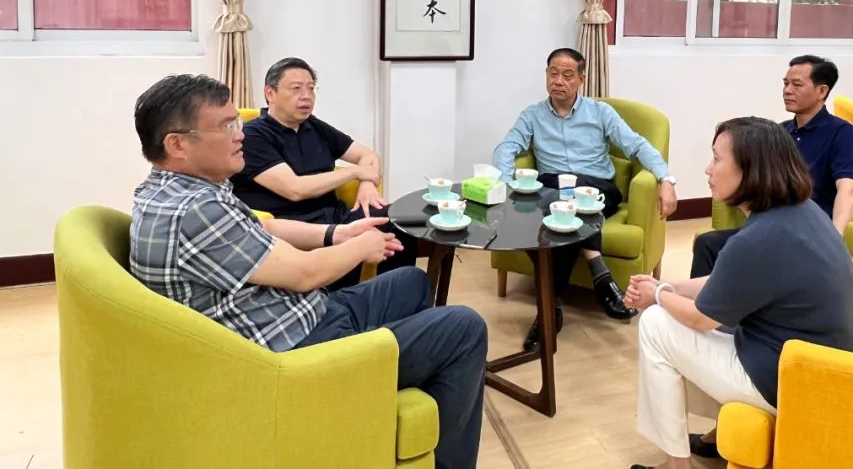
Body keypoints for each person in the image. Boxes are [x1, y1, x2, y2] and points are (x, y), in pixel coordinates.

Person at [129, 74, 486, 469]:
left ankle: (383, 397)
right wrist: (358, 246)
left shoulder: (179, 191)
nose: (239, 134)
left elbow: (265, 227)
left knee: (412, 281)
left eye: (237, 123)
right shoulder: (197, 209)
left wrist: (337, 233)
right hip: (297, 352)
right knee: (464, 327)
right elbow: (304, 274)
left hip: (301, 313)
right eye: (227, 126)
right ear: (177, 144)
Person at [626, 117, 853, 469]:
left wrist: (657, 296)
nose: (708, 169)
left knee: (656, 324)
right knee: (680, 320)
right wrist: (668, 286)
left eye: (717, 159)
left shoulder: (759, 237)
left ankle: (677, 465)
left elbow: (702, 318)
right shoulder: (804, 212)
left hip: (793, 382)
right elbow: (726, 283)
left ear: (750, 170)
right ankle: (714, 437)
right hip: (824, 373)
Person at [493, 47, 678, 351]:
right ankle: (596, 274)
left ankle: (549, 311)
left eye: (567, 75)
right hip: (553, 188)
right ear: (546, 75)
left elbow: (636, 145)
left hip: (597, 188)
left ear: (581, 79)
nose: (559, 81)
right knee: (562, 214)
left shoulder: (600, 112)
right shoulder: (533, 115)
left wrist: (665, 179)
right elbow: (506, 147)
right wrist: (502, 184)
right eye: (553, 73)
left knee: (564, 209)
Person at [231, 57, 417, 286]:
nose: (306, 96)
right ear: (270, 93)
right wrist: (355, 173)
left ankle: (393, 294)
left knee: (399, 220)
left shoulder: (313, 126)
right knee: (352, 239)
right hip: (293, 226)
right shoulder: (253, 135)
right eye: (296, 88)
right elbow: (295, 189)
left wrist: (367, 185)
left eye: (311, 88)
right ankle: (348, 300)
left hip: (335, 215)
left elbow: (367, 155)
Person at [690, 54, 853, 279]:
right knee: (708, 243)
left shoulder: (841, 132)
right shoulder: (780, 132)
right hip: (777, 226)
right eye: (785, 83)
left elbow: (848, 188)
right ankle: (703, 301)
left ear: (821, 91)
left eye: (797, 84)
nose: (787, 90)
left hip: (812, 231)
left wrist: (834, 239)